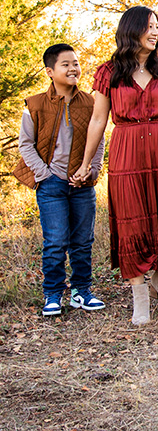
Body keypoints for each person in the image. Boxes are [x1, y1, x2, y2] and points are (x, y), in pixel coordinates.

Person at [72, 6, 158, 325]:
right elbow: (98, 119)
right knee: (134, 222)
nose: (155, 32)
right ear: (131, 30)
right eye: (149, 27)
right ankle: (139, 298)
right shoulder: (108, 72)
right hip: (126, 152)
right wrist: (86, 163)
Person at [13, 44, 106, 317]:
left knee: (83, 240)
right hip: (51, 184)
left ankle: (81, 291)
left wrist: (92, 170)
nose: (73, 68)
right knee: (55, 241)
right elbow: (25, 144)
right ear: (50, 71)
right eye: (65, 64)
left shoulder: (90, 103)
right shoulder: (35, 104)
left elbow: (97, 140)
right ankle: (53, 294)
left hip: (82, 184)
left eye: (75, 63)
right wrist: (44, 174)